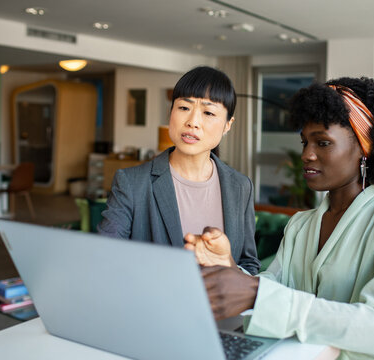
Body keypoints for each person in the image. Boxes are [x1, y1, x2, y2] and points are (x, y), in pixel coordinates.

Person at [186, 77, 374, 359]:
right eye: (304, 142)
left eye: (323, 143)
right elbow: (270, 289)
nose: (306, 155)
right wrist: (228, 268)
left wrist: (256, 292)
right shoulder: (301, 224)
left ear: (365, 149)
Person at [98, 66, 260, 275]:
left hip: (218, 308)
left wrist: (227, 263)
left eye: (208, 112)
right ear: (171, 112)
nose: (192, 122)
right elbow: (103, 257)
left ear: (228, 125)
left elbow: (249, 266)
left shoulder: (240, 186)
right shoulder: (132, 183)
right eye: (184, 108)